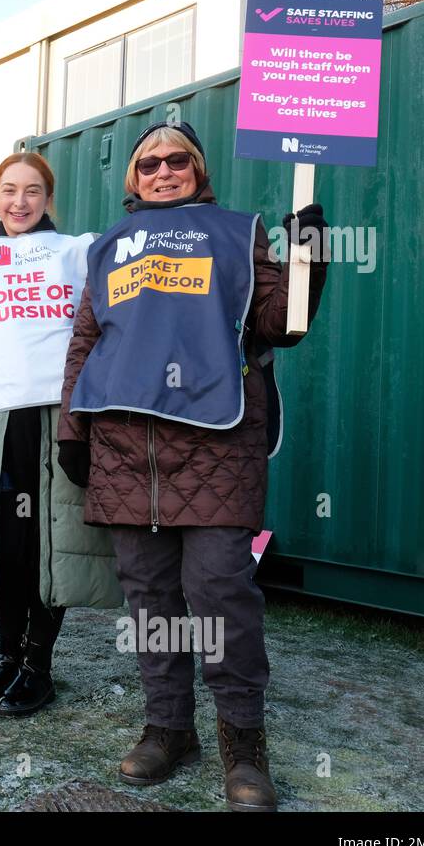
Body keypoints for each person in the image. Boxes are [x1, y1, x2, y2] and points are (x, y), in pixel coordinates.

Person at [59, 121, 329, 810]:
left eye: (179, 159)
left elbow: (281, 325)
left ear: (199, 170)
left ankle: (245, 745)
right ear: (134, 178)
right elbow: (85, 341)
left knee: (220, 595)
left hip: (217, 443)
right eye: (150, 162)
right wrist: (73, 429)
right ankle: (168, 728)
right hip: (125, 447)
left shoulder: (240, 231)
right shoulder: (108, 246)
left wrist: (308, 261)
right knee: (150, 600)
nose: (164, 169)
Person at [0, 152, 120, 717]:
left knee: (48, 542)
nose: (20, 202)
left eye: (33, 191)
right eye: (9, 190)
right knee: (4, 548)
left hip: (56, 417)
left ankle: (38, 663)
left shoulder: (75, 252)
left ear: (48, 199)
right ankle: (4, 654)